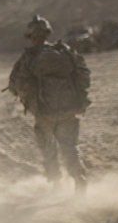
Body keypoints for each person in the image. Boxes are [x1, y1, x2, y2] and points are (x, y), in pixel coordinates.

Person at [7, 14, 91, 192]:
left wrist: (29, 99)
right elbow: (83, 74)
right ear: (47, 33)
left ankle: (56, 185)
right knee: (70, 148)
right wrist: (77, 98)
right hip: (68, 109)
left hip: (44, 112)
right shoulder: (64, 50)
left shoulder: (28, 57)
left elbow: (15, 84)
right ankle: (79, 178)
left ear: (30, 36)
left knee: (48, 150)